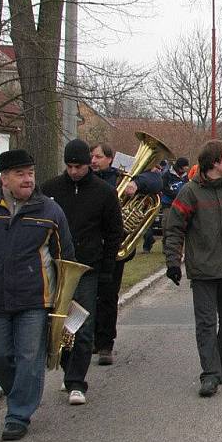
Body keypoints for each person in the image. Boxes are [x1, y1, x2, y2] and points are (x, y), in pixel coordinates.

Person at [0, 150, 75, 441]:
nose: (28, 178)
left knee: (30, 357)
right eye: (20, 174)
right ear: (3, 178)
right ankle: (19, 391)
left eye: (30, 173)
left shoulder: (50, 211)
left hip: (35, 299)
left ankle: (18, 414)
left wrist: (65, 301)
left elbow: (65, 256)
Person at [163, 140, 222, 397]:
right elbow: (174, 229)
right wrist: (173, 261)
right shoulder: (189, 192)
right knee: (206, 323)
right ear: (214, 162)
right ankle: (209, 373)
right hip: (203, 270)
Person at [41, 139, 123, 405]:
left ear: (89, 164)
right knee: (58, 323)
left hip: (88, 267)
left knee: (84, 326)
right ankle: (68, 368)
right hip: (55, 267)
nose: (74, 171)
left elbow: (114, 233)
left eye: (79, 166)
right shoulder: (50, 189)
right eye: (70, 166)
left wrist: (108, 269)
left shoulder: (104, 192)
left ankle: (77, 382)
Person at [90, 142, 162, 365]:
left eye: (98, 157)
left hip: (114, 247)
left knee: (108, 297)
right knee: (86, 297)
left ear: (110, 159)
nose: (93, 160)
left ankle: (105, 344)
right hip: (89, 245)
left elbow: (156, 181)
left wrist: (136, 183)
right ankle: (87, 339)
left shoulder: (121, 175)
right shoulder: (85, 179)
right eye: (92, 156)